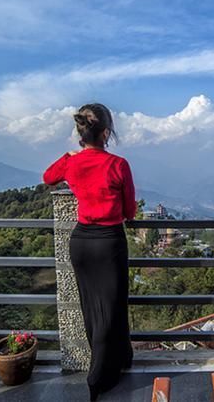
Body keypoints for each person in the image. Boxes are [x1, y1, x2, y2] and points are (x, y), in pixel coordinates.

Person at [42, 103, 136, 401]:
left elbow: (48, 177)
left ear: (81, 132)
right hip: (109, 242)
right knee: (113, 308)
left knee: (91, 309)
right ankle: (101, 376)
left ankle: (110, 362)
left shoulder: (72, 163)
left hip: (81, 242)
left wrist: (70, 156)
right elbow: (130, 212)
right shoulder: (118, 165)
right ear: (106, 132)